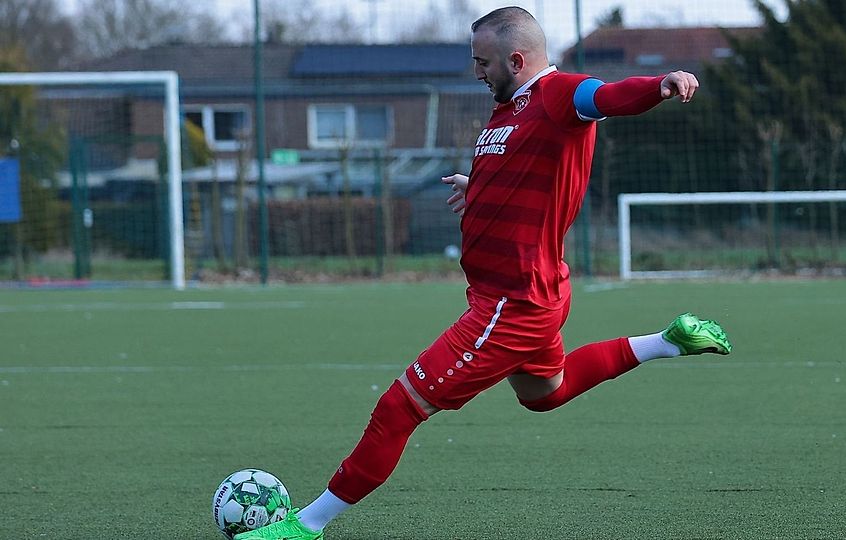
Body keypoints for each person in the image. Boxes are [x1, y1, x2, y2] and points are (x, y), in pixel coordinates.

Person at [237, 6, 731, 540]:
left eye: (482, 62)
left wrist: (660, 84)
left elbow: (606, 96)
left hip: (513, 304)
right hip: (523, 294)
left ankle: (305, 527)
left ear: (516, 60)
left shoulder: (560, 95)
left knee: (398, 409)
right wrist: (479, 187)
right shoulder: (508, 110)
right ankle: (669, 340)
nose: (477, 72)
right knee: (547, 394)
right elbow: (528, 171)